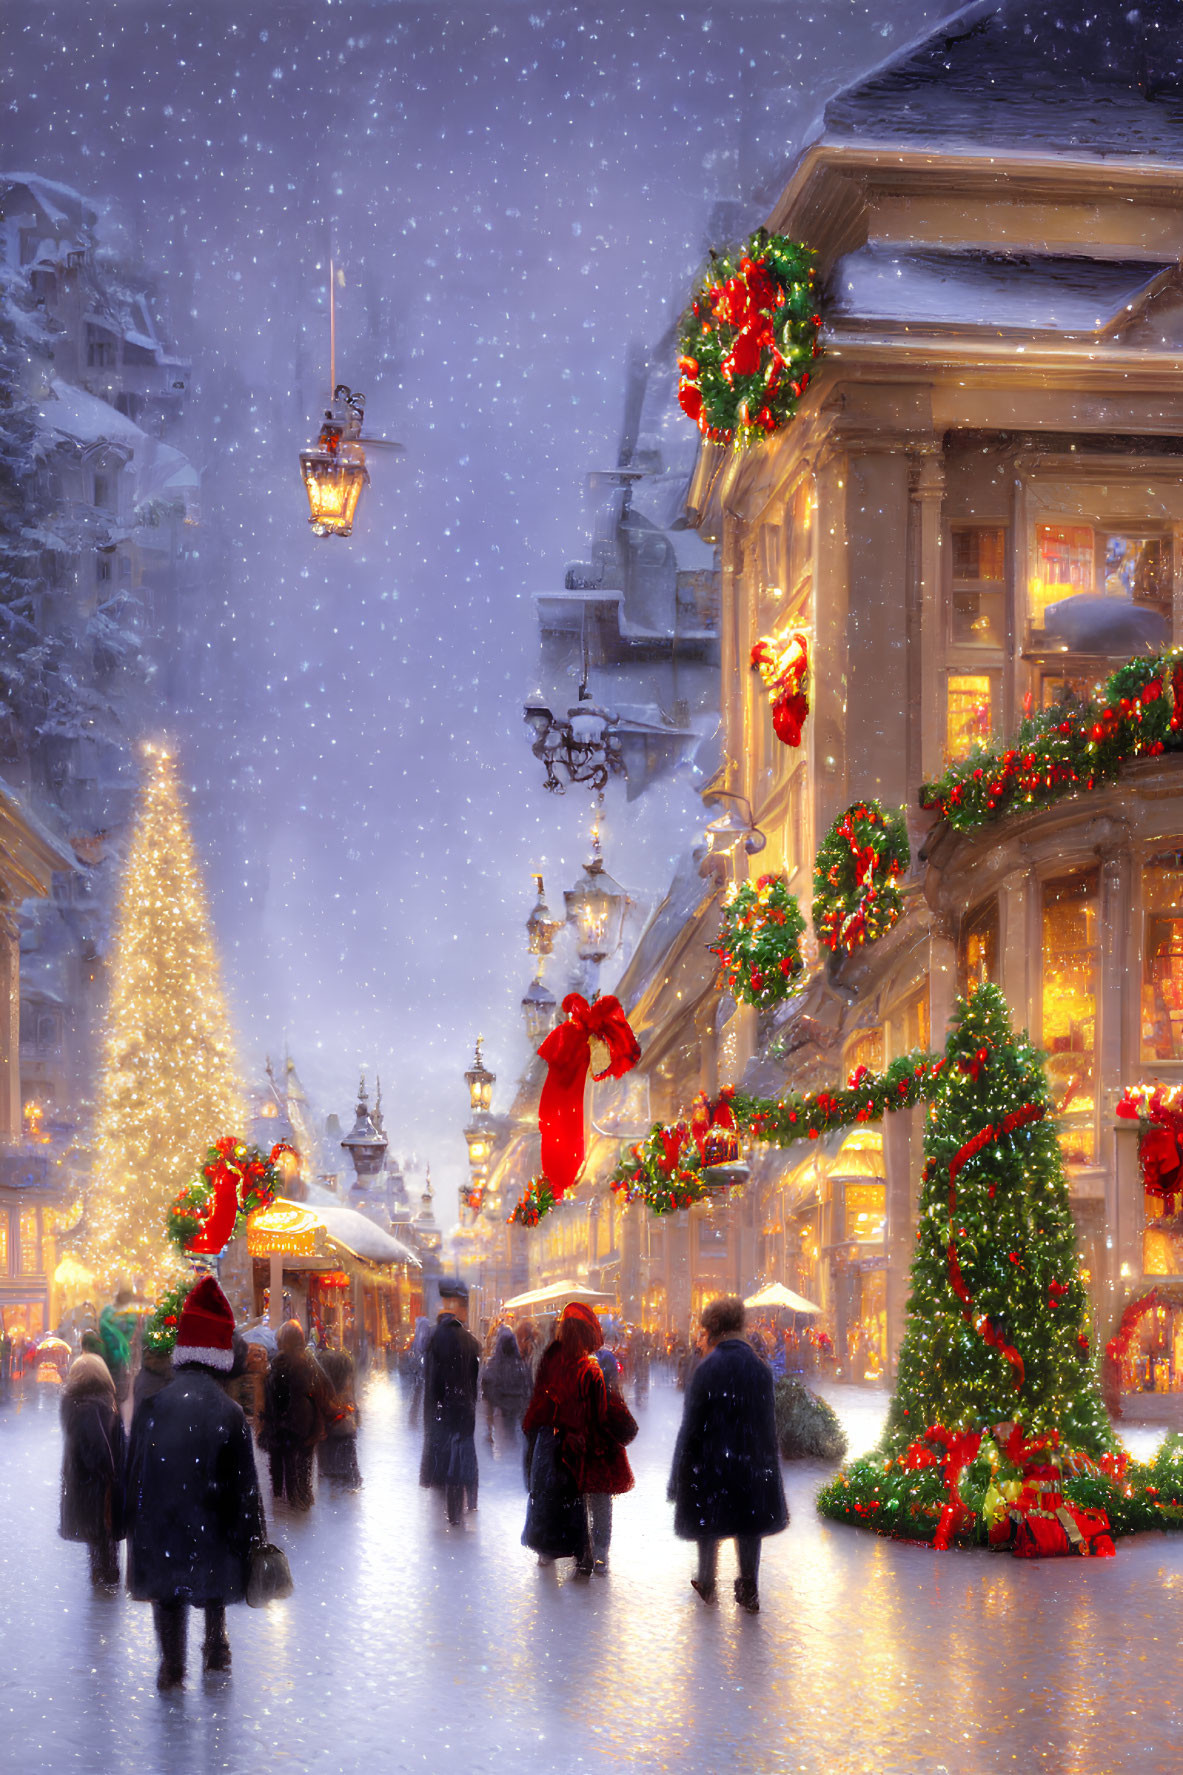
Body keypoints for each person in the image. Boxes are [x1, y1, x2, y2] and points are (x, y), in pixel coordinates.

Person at [125, 1277, 265, 1689]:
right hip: (213, 1524)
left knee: (169, 1595)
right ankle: (215, 1649)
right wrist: (252, 1536)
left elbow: (134, 1471)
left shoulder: (152, 1406)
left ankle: (171, 1665)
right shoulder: (231, 1413)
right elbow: (246, 1489)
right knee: (212, 1582)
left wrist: (127, 1521)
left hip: (161, 1525)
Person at [668, 1294, 788, 1615]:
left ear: (715, 1328)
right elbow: (768, 1424)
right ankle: (748, 1585)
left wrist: (680, 1472)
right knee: (748, 1525)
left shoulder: (708, 1369)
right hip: (751, 1463)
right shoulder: (760, 1370)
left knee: (709, 1522)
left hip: (714, 1462)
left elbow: (691, 1426)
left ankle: (707, 1582)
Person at [521, 1302, 610, 1575]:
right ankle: (582, 1554)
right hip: (569, 1438)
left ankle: (552, 1550)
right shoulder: (585, 1361)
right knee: (570, 1498)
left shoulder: (560, 1356)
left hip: (556, 1437)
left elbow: (542, 1393)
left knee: (552, 1494)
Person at [59, 1352, 126, 1588]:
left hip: (85, 1481)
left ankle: (103, 1580)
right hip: (98, 1483)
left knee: (98, 1536)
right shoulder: (94, 1404)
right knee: (103, 1534)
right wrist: (112, 1473)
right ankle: (106, 1582)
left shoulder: (78, 1403)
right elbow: (98, 1447)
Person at [419, 1280, 481, 1525]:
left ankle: (453, 1514)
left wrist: (433, 1410)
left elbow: (432, 1381)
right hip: (465, 1408)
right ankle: (471, 1500)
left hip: (444, 1409)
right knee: (466, 1453)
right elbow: (474, 1381)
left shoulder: (435, 1340)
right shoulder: (468, 1340)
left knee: (448, 1459)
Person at [260, 1320, 330, 1510]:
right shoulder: (310, 1361)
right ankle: (304, 1502)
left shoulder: (279, 1363)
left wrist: (269, 1419)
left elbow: (273, 1394)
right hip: (307, 1420)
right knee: (304, 1464)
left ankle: (288, 1505)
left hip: (286, 1422)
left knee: (286, 1464)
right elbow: (323, 1389)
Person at [585, 1347, 638, 1573]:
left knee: (584, 1506)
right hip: (605, 1465)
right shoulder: (612, 1398)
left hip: (583, 1463)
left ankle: (585, 1551)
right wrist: (614, 1442)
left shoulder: (581, 1396)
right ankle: (600, 1553)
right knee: (602, 1508)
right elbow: (630, 1429)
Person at [317, 1347, 363, 1490]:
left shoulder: (324, 1401)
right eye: (348, 1377)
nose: (350, 1380)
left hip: (330, 1471)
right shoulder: (338, 1404)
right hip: (343, 1470)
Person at [481, 1324, 531, 1447]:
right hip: (516, 1406)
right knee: (513, 1434)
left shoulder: (495, 1363)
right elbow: (526, 1384)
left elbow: (488, 1382)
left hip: (503, 1406)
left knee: (507, 1435)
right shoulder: (519, 1363)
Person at [407, 1315, 431, 1426]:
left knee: (417, 1394)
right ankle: (417, 1419)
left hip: (419, 1370)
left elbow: (417, 1350)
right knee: (422, 1394)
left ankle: (413, 1419)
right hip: (422, 1370)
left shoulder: (419, 1335)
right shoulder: (424, 1334)